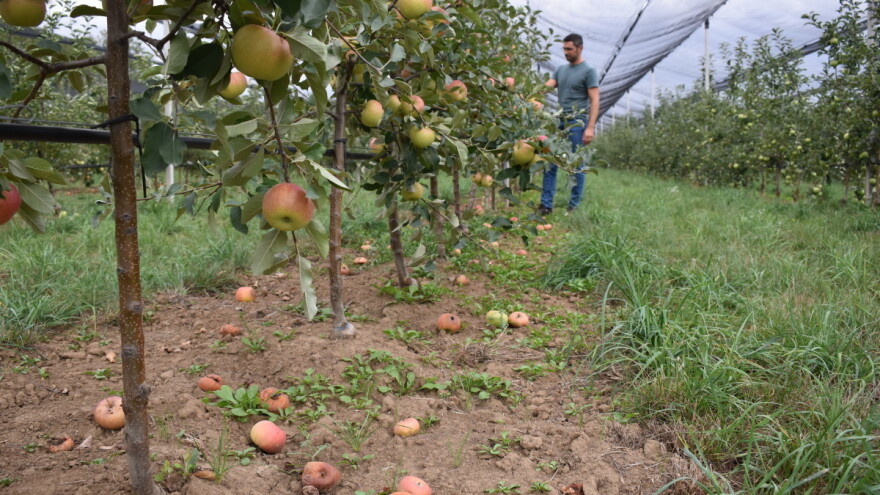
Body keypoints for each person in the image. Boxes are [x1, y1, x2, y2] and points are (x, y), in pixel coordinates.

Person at [539, 33, 600, 216]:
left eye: (569, 49)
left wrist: (590, 127)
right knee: (550, 161)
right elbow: (547, 87)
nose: (566, 52)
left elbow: (595, 99)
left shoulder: (589, 71)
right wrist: (528, 93)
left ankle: (574, 206)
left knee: (576, 165)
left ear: (580, 48)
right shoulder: (560, 70)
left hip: (576, 122)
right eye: (564, 49)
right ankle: (546, 205)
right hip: (559, 120)